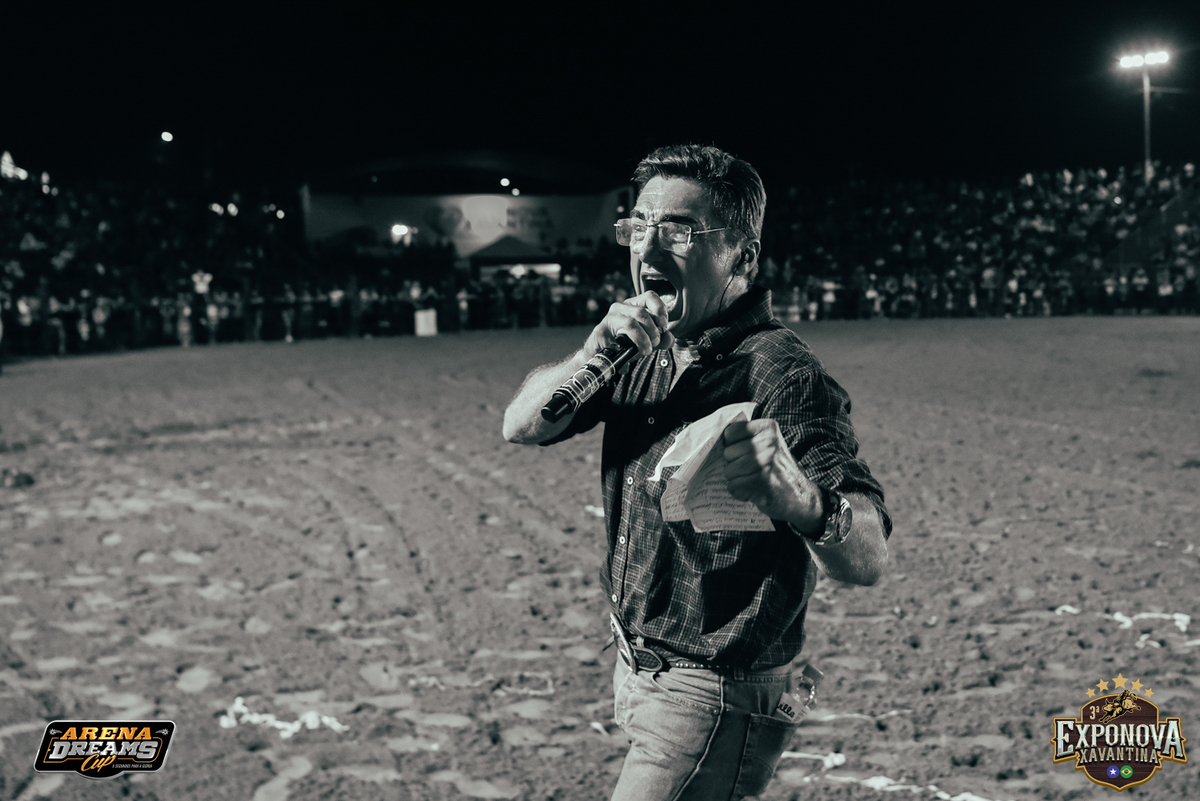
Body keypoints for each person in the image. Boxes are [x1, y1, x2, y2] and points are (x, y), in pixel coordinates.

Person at [503, 144, 891, 800]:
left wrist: (804, 501)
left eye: (679, 230)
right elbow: (520, 425)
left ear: (743, 256)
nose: (649, 248)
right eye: (639, 226)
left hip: (712, 694)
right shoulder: (637, 347)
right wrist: (590, 352)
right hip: (636, 665)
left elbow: (870, 556)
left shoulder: (780, 373)